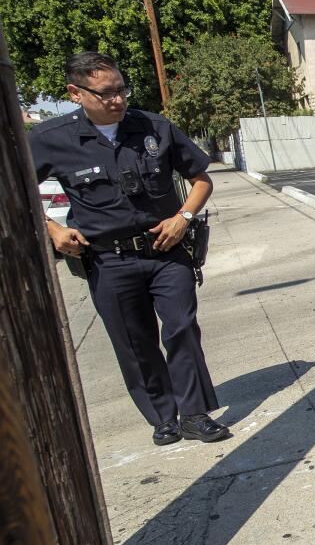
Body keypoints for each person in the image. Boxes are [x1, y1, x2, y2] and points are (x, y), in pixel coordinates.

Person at [30, 52, 230, 445]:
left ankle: (193, 412)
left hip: (166, 250)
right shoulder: (50, 139)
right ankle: (162, 417)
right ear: (75, 92)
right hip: (108, 260)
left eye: (121, 90)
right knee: (133, 341)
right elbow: (14, 191)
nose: (118, 100)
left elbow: (200, 180)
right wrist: (51, 228)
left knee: (182, 328)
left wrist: (183, 217)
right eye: (106, 94)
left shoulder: (153, 127)